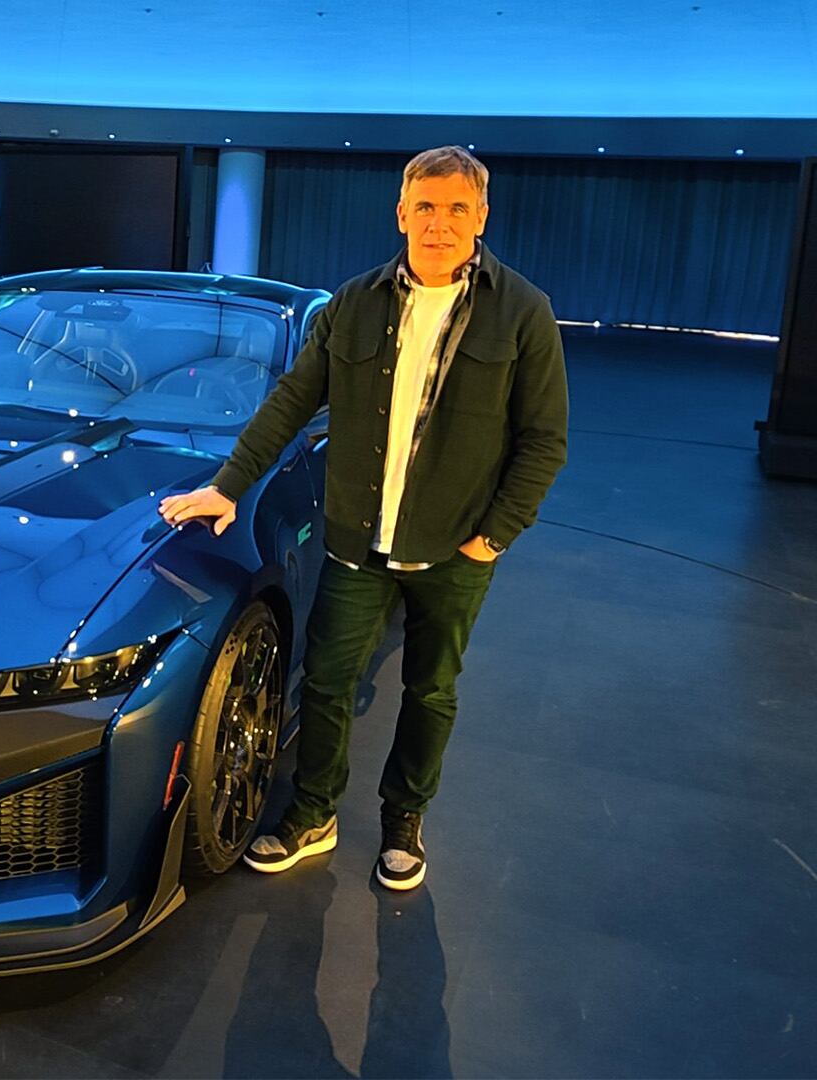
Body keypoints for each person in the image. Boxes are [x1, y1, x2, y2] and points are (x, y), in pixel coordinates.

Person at [158, 145, 568, 891]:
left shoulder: (524, 312)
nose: (439, 224)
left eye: (456, 209)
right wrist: (228, 485)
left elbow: (544, 440)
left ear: (480, 216)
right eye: (425, 207)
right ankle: (313, 813)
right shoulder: (355, 302)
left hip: (455, 550)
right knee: (325, 685)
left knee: (430, 691)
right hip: (357, 544)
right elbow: (292, 400)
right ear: (401, 213)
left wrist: (494, 536)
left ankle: (404, 821)